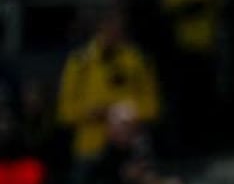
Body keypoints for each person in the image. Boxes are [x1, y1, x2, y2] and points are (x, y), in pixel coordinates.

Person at [56, 9, 162, 163]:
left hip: (129, 147)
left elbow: (152, 106)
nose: (112, 32)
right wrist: (91, 112)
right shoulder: (79, 61)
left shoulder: (138, 60)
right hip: (91, 149)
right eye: (107, 27)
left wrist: (122, 113)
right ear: (98, 29)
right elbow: (65, 111)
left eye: (117, 27)